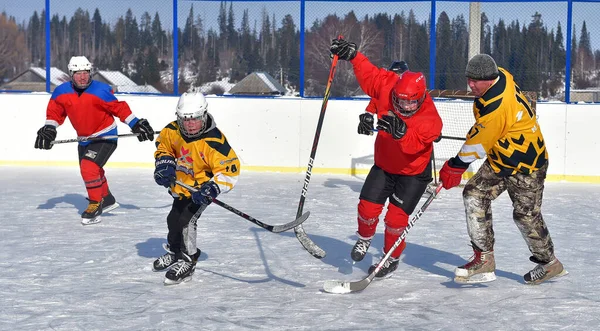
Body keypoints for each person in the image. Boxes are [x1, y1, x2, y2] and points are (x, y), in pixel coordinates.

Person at [438, 54, 567, 285]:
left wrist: (454, 166)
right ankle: (484, 258)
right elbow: (484, 131)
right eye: (469, 79)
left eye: (476, 81)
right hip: (501, 160)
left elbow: (476, 146)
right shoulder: (502, 74)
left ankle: (550, 263)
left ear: (490, 79)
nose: (471, 85)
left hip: (527, 165)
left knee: (525, 216)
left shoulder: (498, 107)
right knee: (474, 194)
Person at [330, 38, 443, 278]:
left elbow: (413, 147)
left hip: (413, 174)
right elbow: (370, 75)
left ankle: (391, 258)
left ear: (421, 98)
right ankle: (364, 238)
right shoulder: (389, 84)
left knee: (395, 219)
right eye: (401, 100)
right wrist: (353, 56)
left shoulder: (431, 118)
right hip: (384, 165)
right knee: (367, 208)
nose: (405, 105)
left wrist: (402, 134)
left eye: (411, 102)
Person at [34, 56, 155, 225]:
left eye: (86, 72)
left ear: (90, 72)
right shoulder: (61, 92)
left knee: (88, 167)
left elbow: (119, 108)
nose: (83, 77)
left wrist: (136, 124)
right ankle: (107, 199)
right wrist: (49, 128)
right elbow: (54, 113)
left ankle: (95, 204)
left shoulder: (100, 90)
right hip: (84, 139)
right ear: (71, 74)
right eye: (78, 73)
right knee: (92, 170)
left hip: (105, 136)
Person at [152, 91, 240, 285]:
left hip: (200, 191)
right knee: (173, 219)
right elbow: (163, 147)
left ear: (204, 115)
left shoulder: (215, 142)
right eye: (185, 120)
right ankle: (175, 252)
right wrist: (164, 164)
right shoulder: (172, 130)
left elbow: (230, 171)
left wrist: (213, 188)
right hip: (181, 187)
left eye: (195, 120)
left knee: (186, 221)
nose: (190, 125)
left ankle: (188, 259)